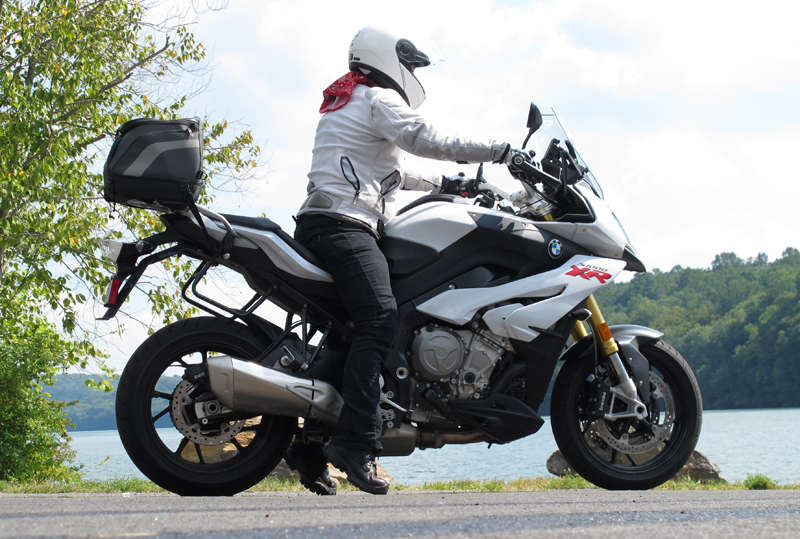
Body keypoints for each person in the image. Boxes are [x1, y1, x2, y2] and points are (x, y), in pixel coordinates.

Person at [284, 25, 516, 495]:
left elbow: (389, 173)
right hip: (343, 226)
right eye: (409, 64)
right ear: (388, 59)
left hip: (323, 221)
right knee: (380, 321)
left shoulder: (349, 100)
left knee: (348, 337)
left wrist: (450, 187)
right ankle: (355, 443)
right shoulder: (374, 98)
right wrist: (499, 151)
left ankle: (307, 447)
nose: (412, 74)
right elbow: (423, 137)